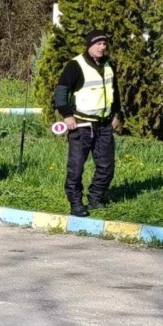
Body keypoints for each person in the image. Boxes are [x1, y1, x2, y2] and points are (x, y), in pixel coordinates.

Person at [54, 29, 122, 217]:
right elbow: (61, 92)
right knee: (76, 168)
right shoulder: (75, 65)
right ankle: (75, 202)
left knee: (107, 166)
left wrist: (116, 114)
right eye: (98, 44)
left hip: (104, 124)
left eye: (104, 44)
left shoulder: (109, 65)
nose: (102, 47)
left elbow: (115, 92)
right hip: (81, 125)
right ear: (89, 45)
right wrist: (67, 115)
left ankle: (96, 198)